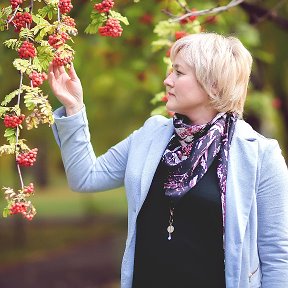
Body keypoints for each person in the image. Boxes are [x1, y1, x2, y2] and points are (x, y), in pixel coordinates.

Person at [48, 32, 288, 288]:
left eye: (179, 72)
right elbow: (86, 177)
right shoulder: (150, 135)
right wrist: (74, 108)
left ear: (213, 83)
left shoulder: (260, 154)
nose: (167, 80)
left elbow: (277, 255)